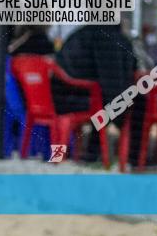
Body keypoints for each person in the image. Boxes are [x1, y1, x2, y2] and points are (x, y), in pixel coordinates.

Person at [53, 24, 138, 162]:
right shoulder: (108, 37)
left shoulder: (81, 33)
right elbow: (113, 79)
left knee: (107, 101)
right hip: (77, 99)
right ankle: (134, 158)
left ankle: (90, 153)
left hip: (58, 97)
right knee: (132, 102)